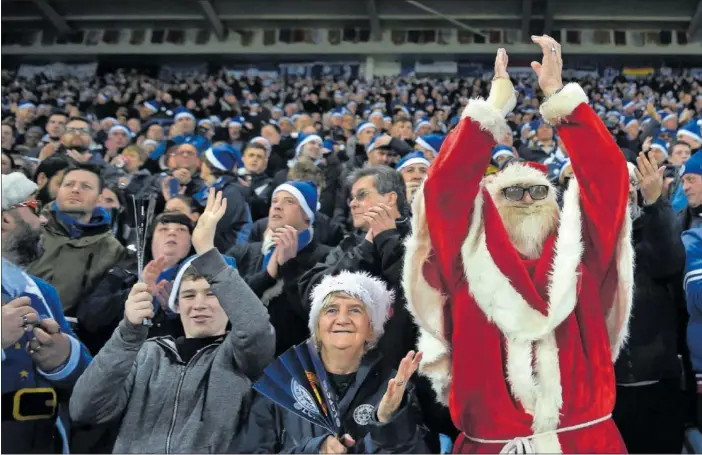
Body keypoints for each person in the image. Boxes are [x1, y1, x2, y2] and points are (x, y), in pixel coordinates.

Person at [404, 41, 633, 453]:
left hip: (585, 443)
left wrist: (559, 98)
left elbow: (607, 178)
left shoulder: (583, 259)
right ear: (492, 206)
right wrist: (492, 109)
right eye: (513, 194)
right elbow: (443, 191)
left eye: (537, 192)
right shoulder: (463, 263)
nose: (527, 201)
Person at [69, 188, 275, 453]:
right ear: (177, 305)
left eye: (212, 294)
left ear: (229, 300)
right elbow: (85, 409)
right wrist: (129, 332)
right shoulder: (147, 354)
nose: (199, 304)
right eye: (189, 294)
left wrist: (207, 253)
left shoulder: (240, 357)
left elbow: (256, 328)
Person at [245, 271, 429, 454]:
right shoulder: (280, 387)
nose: (342, 319)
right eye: (331, 310)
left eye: (355, 310)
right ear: (316, 328)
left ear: (371, 330)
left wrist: (390, 421)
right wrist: (312, 451)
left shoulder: (393, 390)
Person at [1, 172, 92, 453]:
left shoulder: (42, 291)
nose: (42, 219)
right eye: (34, 209)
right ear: (5, 220)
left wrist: (64, 359)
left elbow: (89, 378)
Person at [612, 158, 686, 453]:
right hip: (609, 391)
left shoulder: (654, 227)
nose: (628, 190)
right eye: (619, 183)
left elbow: (670, 261)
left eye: (632, 183)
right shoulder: (586, 238)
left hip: (659, 382)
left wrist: (656, 201)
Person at [228, 181, 331, 355]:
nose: (277, 207)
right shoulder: (246, 252)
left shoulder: (326, 257)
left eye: (289, 201)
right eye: (275, 201)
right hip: (244, 355)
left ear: (307, 215)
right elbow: (231, 303)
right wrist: (268, 275)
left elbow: (314, 316)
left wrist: (288, 266)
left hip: (294, 362)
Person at [26, 163, 125, 314]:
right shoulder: (29, 227)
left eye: (85, 186)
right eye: (68, 184)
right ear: (58, 191)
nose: (75, 190)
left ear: (99, 199)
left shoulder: (111, 248)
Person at [195, 143, 253, 249]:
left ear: (211, 166)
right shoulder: (214, 189)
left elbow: (217, 228)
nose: (200, 166)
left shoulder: (231, 193)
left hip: (228, 254)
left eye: (203, 162)